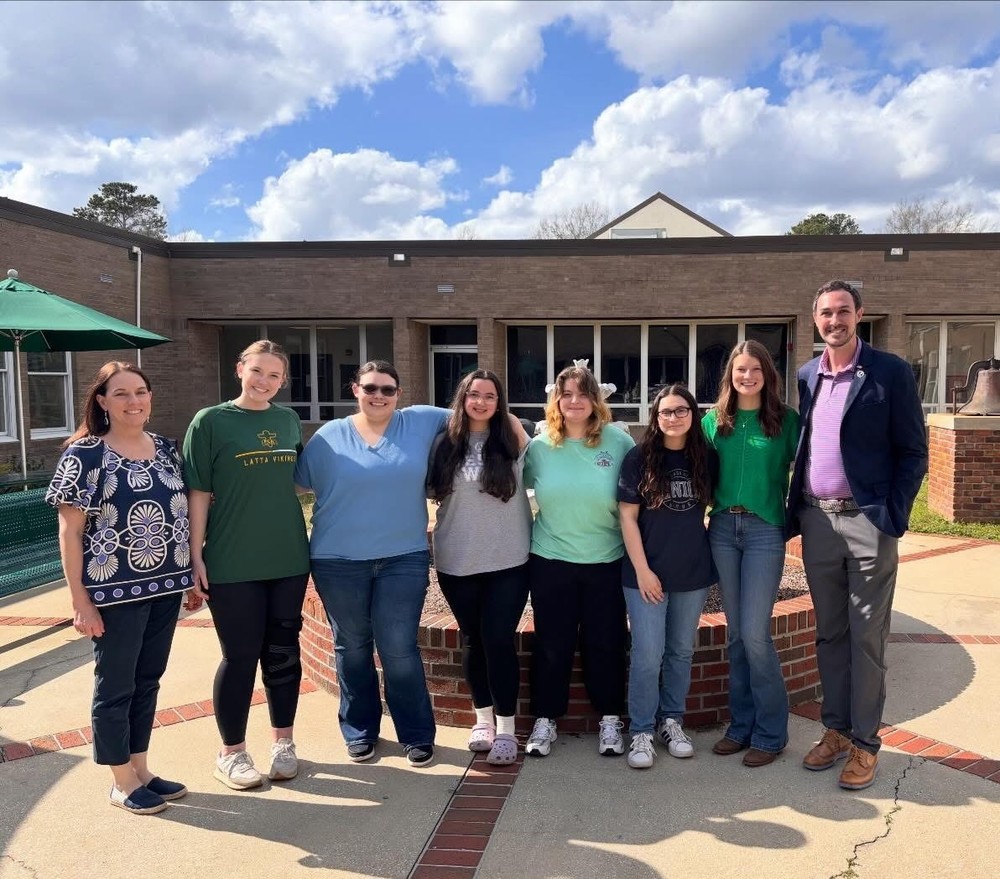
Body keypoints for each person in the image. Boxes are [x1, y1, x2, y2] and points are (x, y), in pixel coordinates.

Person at [788, 279, 927, 790]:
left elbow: (913, 451)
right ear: (815, 319)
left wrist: (893, 512)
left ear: (859, 314)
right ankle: (836, 730)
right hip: (817, 522)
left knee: (866, 638)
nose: (834, 321)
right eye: (825, 313)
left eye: (843, 311)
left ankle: (866, 744)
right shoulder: (808, 376)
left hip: (868, 522)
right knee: (830, 634)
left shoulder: (889, 371)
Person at [45, 362, 194, 815]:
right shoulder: (86, 455)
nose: (135, 401)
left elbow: (181, 516)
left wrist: (187, 577)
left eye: (141, 392)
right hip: (113, 595)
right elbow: (69, 533)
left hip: (166, 586)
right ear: (103, 401)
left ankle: (141, 768)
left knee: (148, 680)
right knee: (116, 686)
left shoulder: (167, 449)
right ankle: (120, 781)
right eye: (122, 393)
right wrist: (81, 602)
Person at [294, 360, 449, 767]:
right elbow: (293, 485)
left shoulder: (420, 422)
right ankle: (360, 729)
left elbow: (482, 409)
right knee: (353, 646)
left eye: (387, 389)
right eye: (370, 388)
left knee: (398, 648)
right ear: (355, 390)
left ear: (399, 394)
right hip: (337, 560)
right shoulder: (328, 437)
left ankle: (415, 733)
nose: (378, 395)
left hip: (404, 557)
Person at [183, 340, 311, 790]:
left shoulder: (287, 420)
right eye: (257, 371)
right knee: (240, 656)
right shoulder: (211, 421)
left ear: (282, 381)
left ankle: (284, 743)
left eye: (274, 376)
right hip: (232, 559)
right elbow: (197, 491)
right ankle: (231, 753)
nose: (264, 382)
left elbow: (293, 485)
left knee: (282, 652)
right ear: (240, 369)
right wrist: (195, 554)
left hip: (289, 557)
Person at [522, 362, 635, 759]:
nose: (574, 401)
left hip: (606, 560)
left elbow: (638, 499)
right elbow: (508, 491)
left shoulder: (618, 444)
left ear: (595, 400)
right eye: (566, 394)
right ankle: (546, 719)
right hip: (551, 559)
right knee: (552, 642)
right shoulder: (538, 448)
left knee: (606, 641)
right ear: (556, 400)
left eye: (583, 393)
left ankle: (609, 719)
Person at [427, 369, 532, 766]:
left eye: (490, 396)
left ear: (499, 402)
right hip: (457, 559)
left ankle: (506, 730)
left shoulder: (512, 436)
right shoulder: (444, 444)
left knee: (498, 639)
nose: (482, 402)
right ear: (463, 398)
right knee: (472, 639)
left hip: (508, 559)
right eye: (474, 395)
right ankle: (482, 720)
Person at [703, 339, 799, 768]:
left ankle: (771, 733)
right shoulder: (712, 423)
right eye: (740, 369)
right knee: (736, 634)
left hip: (763, 532)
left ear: (767, 375)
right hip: (722, 528)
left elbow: (811, 472)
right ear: (730, 375)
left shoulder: (786, 421)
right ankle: (740, 727)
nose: (747, 376)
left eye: (755, 369)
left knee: (756, 634)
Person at [618, 384, 718, 769]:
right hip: (645, 574)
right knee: (647, 654)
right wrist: (643, 571)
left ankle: (671, 721)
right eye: (665, 412)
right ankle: (641, 730)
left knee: (680, 652)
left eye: (681, 411)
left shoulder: (705, 458)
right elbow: (627, 516)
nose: (673, 418)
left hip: (692, 571)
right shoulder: (638, 457)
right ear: (655, 418)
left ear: (693, 415)